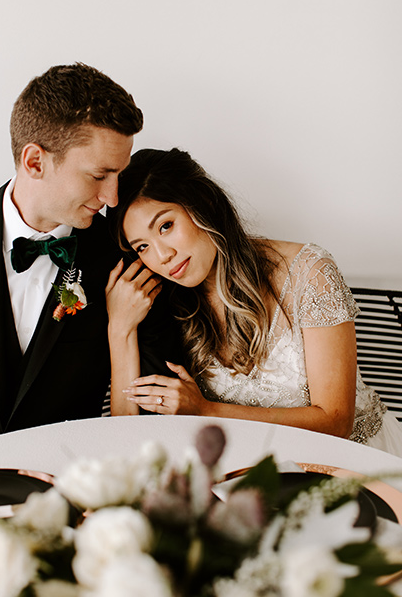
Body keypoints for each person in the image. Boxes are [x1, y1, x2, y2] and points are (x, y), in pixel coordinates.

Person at [0, 64, 182, 459]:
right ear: (35, 162)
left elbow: (146, 413)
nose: (113, 197)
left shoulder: (126, 262)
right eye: (99, 175)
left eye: (119, 176)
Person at [105, 147, 402, 456]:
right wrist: (120, 328)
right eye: (142, 247)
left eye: (166, 226)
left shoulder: (310, 272)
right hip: (255, 475)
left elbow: (336, 422)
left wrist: (206, 410)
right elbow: (127, 438)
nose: (162, 256)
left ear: (203, 202)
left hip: (356, 463)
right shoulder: (169, 306)